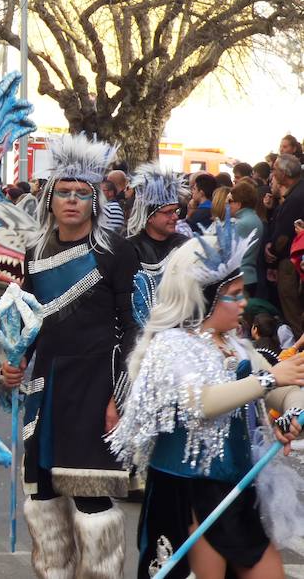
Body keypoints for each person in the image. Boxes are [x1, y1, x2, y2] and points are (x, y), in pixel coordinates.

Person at [108, 218, 304, 579]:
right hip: (187, 492)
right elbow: (200, 402)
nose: (244, 302)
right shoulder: (171, 346)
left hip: (236, 489)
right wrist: (268, 378)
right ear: (206, 297)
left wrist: (291, 410)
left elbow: (284, 390)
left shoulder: (238, 346)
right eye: (234, 294)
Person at [0, 134, 138, 577]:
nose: (73, 201)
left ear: (95, 200)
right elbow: (27, 323)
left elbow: (130, 328)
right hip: (47, 387)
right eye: (64, 193)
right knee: (44, 494)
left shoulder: (116, 251)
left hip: (98, 386)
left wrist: (119, 397)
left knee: (90, 492)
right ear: (50, 199)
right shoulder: (34, 252)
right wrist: (14, 361)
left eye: (82, 194)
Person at [126, 163, 188, 324]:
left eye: (176, 211)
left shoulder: (184, 245)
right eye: (168, 212)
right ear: (150, 216)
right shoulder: (130, 248)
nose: (175, 217)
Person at [266, 153, 304, 335]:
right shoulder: (296, 193)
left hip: (291, 261)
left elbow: (284, 235)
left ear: (284, 173)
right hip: (291, 259)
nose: (272, 173)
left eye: (275, 169)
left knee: (293, 310)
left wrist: (272, 253)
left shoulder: (297, 197)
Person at [228, 181, 265, 295]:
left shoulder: (241, 223)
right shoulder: (254, 218)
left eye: (230, 202)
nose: (228, 206)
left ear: (238, 204)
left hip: (241, 278)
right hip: (249, 276)